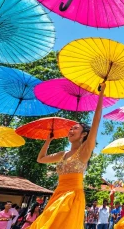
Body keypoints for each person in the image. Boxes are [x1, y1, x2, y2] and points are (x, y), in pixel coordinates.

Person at [28, 83, 107, 228]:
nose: (71, 130)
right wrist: (48, 140)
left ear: (83, 134)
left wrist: (101, 94)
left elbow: (96, 121)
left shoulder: (84, 151)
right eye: (70, 128)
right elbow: (41, 159)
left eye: (75, 128)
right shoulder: (62, 154)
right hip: (58, 194)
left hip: (72, 196)